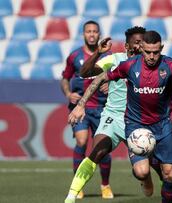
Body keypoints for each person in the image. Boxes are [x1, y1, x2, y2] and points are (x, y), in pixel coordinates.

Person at [67, 30, 172, 203]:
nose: (149, 54)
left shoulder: (167, 65)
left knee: (166, 171)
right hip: (125, 120)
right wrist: (81, 104)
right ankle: (72, 196)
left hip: (154, 123)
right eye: (143, 48)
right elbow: (91, 75)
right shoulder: (122, 62)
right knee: (105, 155)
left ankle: (165, 189)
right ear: (134, 47)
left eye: (153, 51)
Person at [64, 26, 146, 203]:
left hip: (137, 120)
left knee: (142, 172)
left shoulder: (151, 65)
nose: (141, 46)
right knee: (97, 151)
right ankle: (71, 196)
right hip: (113, 117)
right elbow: (85, 73)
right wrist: (97, 54)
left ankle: (146, 179)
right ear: (127, 46)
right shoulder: (114, 59)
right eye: (137, 42)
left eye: (143, 42)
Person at [60, 20, 113, 199]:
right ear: (83, 34)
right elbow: (65, 78)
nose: (91, 34)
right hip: (80, 108)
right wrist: (68, 94)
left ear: (99, 35)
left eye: (95, 31)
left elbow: (118, 76)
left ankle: (105, 185)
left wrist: (111, 85)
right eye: (88, 31)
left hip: (102, 107)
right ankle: (78, 185)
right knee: (82, 141)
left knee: (101, 147)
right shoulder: (74, 56)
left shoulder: (108, 56)